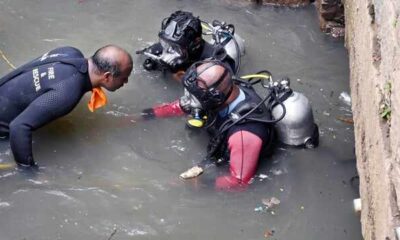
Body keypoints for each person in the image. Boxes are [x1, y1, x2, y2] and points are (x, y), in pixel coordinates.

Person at [142, 60, 272, 190]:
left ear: (214, 97)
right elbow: (179, 107)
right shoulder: (225, 90)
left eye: (196, 95)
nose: (190, 99)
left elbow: (239, 182)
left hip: (237, 152)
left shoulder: (243, 135)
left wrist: (192, 184)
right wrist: (142, 116)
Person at [0, 45, 133, 167]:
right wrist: (29, 172)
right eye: (124, 77)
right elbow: (19, 127)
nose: (126, 81)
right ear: (107, 77)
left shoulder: (69, 52)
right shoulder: (67, 92)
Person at [136, 10, 243, 80]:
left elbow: (227, 88)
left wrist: (188, 80)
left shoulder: (216, 60)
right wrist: (151, 65)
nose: (168, 50)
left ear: (196, 42)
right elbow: (140, 59)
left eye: (175, 47)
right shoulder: (163, 48)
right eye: (165, 43)